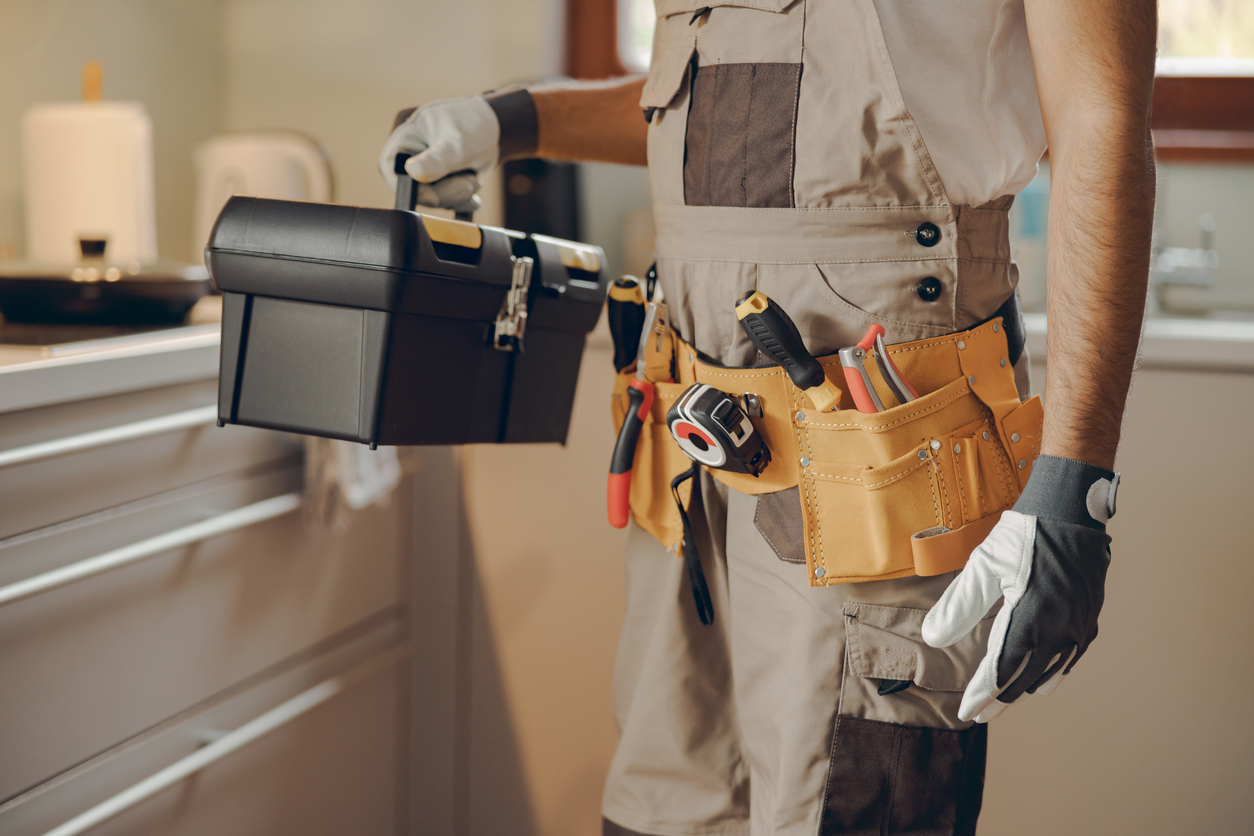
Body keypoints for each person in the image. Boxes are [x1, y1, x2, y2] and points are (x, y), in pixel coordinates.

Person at [379, 1, 1156, 833]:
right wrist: (510, 120)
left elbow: (1099, 117)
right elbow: (707, 109)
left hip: (873, 478)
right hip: (687, 476)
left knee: (853, 804)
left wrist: (1076, 483)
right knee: (661, 811)